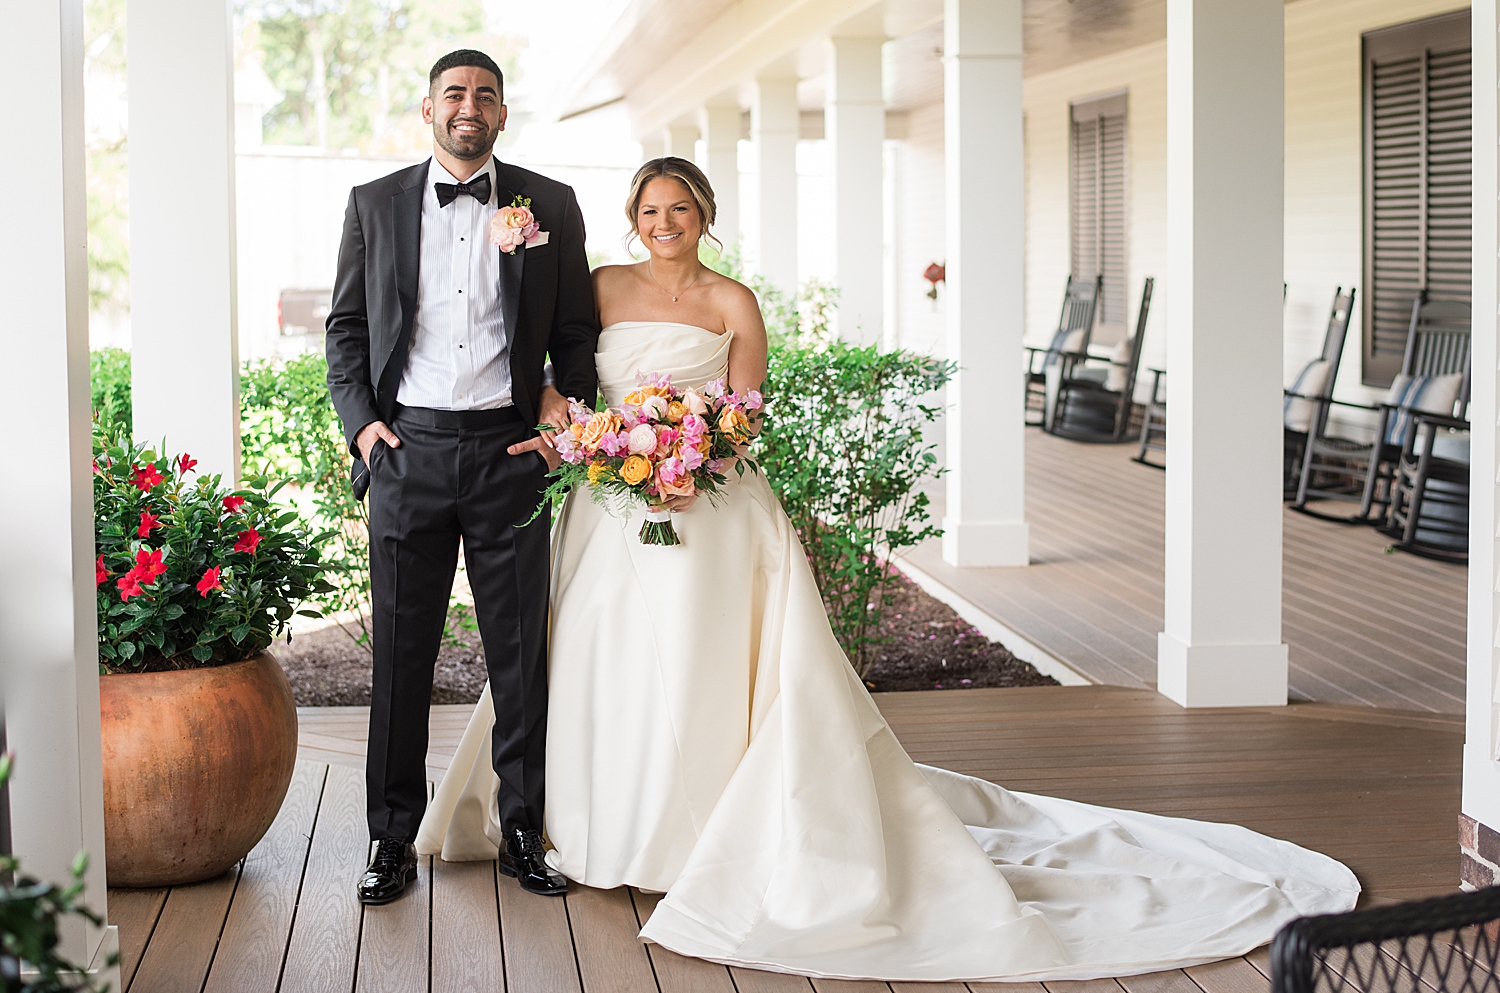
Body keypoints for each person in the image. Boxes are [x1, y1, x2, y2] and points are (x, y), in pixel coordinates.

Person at [416, 157, 1359, 982]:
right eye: (651, 211)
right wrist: (600, 438)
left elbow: (744, 409)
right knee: (600, 662)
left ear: (705, 215)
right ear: (634, 218)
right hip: (614, 507)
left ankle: (703, 832)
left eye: (682, 210)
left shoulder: (732, 301)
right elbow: (554, 373)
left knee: (714, 665)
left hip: (714, 506)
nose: (665, 225)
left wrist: (691, 453)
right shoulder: (601, 283)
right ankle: (594, 829)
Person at [324, 48, 597, 905]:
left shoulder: (548, 204)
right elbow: (345, 331)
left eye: (484, 94)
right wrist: (364, 429)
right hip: (407, 455)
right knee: (402, 656)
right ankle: (390, 838)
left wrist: (562, 427)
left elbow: (578, 332)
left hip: (511, 457)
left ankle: (522, 827)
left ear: (503, 114)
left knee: (520, 654)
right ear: (428, 108)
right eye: (454, 93)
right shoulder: (375, 204)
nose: (468, 106)